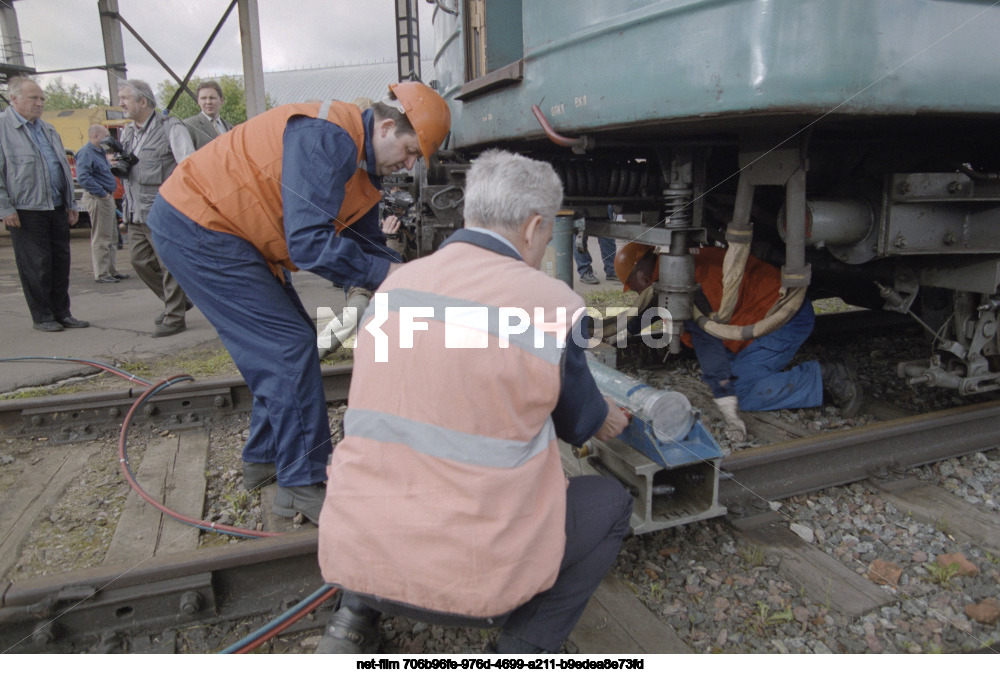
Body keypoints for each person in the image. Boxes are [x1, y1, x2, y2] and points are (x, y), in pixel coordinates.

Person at [315, 149, 633, 655]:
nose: (545, 245)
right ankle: (521, 652)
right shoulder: (551, 305)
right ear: (533, 228)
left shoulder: (395, 286)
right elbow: (580, 423)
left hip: (360, 557)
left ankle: (350, 621)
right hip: (474, 582)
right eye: (549, 235)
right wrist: (604, 415)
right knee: (610, 503)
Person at [146, 81, 452, 524]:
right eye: (408, 150)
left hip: (231, 232)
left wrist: (407, 277)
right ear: (386, 127)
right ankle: (302, 484)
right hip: (200, 225)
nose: (408, 164)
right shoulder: (329, 137)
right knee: (288, 348)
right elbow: (309, 243)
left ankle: (265, 458)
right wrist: (385, 276)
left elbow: (365, 241)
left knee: (288, 346)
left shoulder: (362, 167)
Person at [614, 242, 863, 441]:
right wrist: (604, 333)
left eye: (632, 287)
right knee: (726, 374)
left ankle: (827, 376)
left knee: (740, 390)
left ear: (644, 278)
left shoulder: (686, 287)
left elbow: (706, 341)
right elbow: (649, 309)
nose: (634, 293)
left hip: (784, 320)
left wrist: (727, 403)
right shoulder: (676, 269)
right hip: (767, 314)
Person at [0, 77, 89, 332]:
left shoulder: (47, 129)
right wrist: (5, 208)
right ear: (13, 99)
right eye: (33, 98)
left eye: (41, 99)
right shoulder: (3, 128)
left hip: (56, 206)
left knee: (60, 261)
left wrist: (70, 203)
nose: (39, 104)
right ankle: (43, 316)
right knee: (36, 265)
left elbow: (61, 167)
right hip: (26, 209)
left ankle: (63, 312)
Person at [118, 79, 195, 337]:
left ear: (143, 101)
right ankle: (178, 301)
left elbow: (188, 166)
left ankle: (175, 317)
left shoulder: (171, 128)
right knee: (138, 260)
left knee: (168, 263)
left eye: (125, 98)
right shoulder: (128, 132)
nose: (121, 104)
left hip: (163, 210)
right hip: (135, 210)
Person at [76, 124, 127, 284]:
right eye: (105, 135)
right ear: (96, 136)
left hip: (107, 198)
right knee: (102, 237)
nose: (108, 139)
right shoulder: (86, 153)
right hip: (99, 198)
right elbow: (84, 178)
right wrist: (102, 193)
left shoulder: (99, 152)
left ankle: (111, 270)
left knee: (111, 236)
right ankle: (102, 273)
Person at [183, 80, 232, 150]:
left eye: (212, 98)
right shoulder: (188, 125)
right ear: (198, 101)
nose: (208, 102)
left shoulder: (230, 127)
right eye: (203, 98)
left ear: (221, 100)